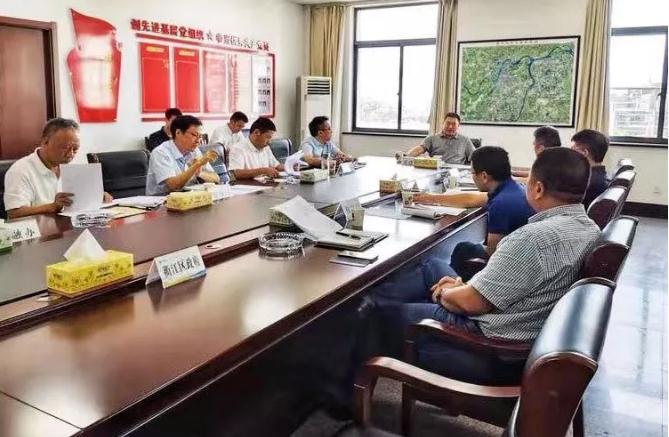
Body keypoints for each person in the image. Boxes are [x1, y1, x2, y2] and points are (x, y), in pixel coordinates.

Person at [368, 148, 600, 381]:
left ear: (538, 189)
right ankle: (382, 301)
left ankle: (361, 366)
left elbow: (472, 304)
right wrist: (462, 287)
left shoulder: (533, 239)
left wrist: (445, 294)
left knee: (379, 314)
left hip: (487, 343)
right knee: (432, 265)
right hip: (509, 316)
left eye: (528, 180)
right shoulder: (590, 229)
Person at [412, 146, 534, 277]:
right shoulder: (513, 189)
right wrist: (430, 198)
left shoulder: (500, 205)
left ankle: (453, 286)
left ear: (484, 176)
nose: (473, 177)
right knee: (464, 249)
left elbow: (493, 254)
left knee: (433, 263)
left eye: (473, 173)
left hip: (508, 270)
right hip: (522, 258)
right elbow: (471, 199)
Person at [4, 118, 112, 219]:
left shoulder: (74, 165)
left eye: (75, 149)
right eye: (65, 148)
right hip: (37, 231)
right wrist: (53, 206)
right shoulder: (20, 171)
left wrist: (96, 197)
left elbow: (80, 201)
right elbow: (14, 213)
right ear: (45, 142)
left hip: (70, 227)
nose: (71, 154)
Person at [146, 115, 220, 195]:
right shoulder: (160, 152)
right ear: (178, 133)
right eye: (194, 135)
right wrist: (197, 164)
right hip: (162, 199)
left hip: (188, 197)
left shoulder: (194, 150)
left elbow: (216, 179)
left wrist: (199, 174)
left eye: (200, 136)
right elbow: (174, 186)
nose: (198, 141)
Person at [406, 112, 475, 164]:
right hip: (436, 170)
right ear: (443, 123)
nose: (450, 127)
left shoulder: (465, 140)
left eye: (454, 124)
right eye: (448, 123)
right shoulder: (432, 138)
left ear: (458, 126)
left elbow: (475, 157)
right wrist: (406, 157)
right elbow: (418, 150)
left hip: (456, 172)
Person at [570, 129, 610, 208]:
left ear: (584, 153)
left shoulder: (587, 182)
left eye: (573, 150)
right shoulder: (600, 176)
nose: (570, 155)